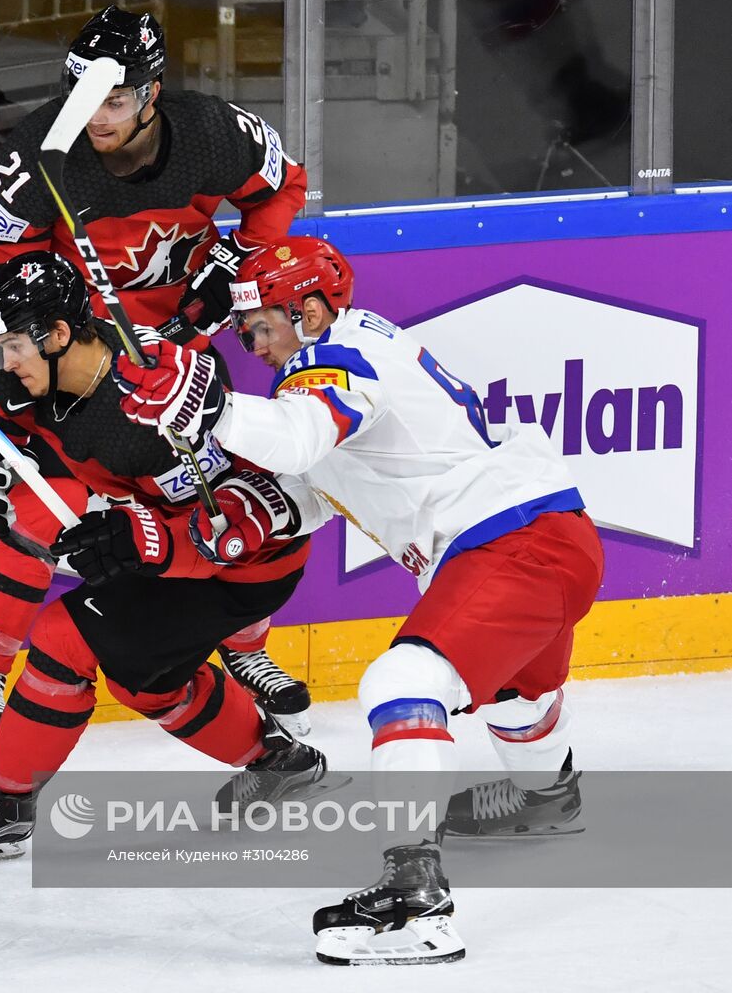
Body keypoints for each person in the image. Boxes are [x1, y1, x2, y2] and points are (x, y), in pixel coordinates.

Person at [113, 236, 604, 965]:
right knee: (509, 693)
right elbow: (307, 489)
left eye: (262, 325)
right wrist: (210, 525)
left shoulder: (335, 352)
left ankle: (415, 901)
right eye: (244, 332)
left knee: (402, 682)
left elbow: (297, 434)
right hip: (540, 538)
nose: (252, 343)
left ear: (308, 307)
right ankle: (547, 798)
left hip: (510, 541)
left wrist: (204, 405)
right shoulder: (338, 361)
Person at [0, 4, 313, 759]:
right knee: (38, 496)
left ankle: (237, 645)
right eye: (84, 97)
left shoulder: (213, 133)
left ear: (150, 93)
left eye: (113, 101)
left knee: (212, 496)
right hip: (76, 356)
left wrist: (236, 265)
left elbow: (282, 189)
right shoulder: (34, 160)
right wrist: (24, 350)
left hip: (175, 357)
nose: (94, 118)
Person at [0, 253, 332, 861]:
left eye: (12, 347)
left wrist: (141, 540)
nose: (0, 361)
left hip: (243, 562)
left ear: (56, 336)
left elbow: (233, 523)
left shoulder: (161, 405)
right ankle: (278, 763)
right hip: (173, 545)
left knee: (62, 640)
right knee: (148, 683)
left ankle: (6, 807)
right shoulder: (34, 367)